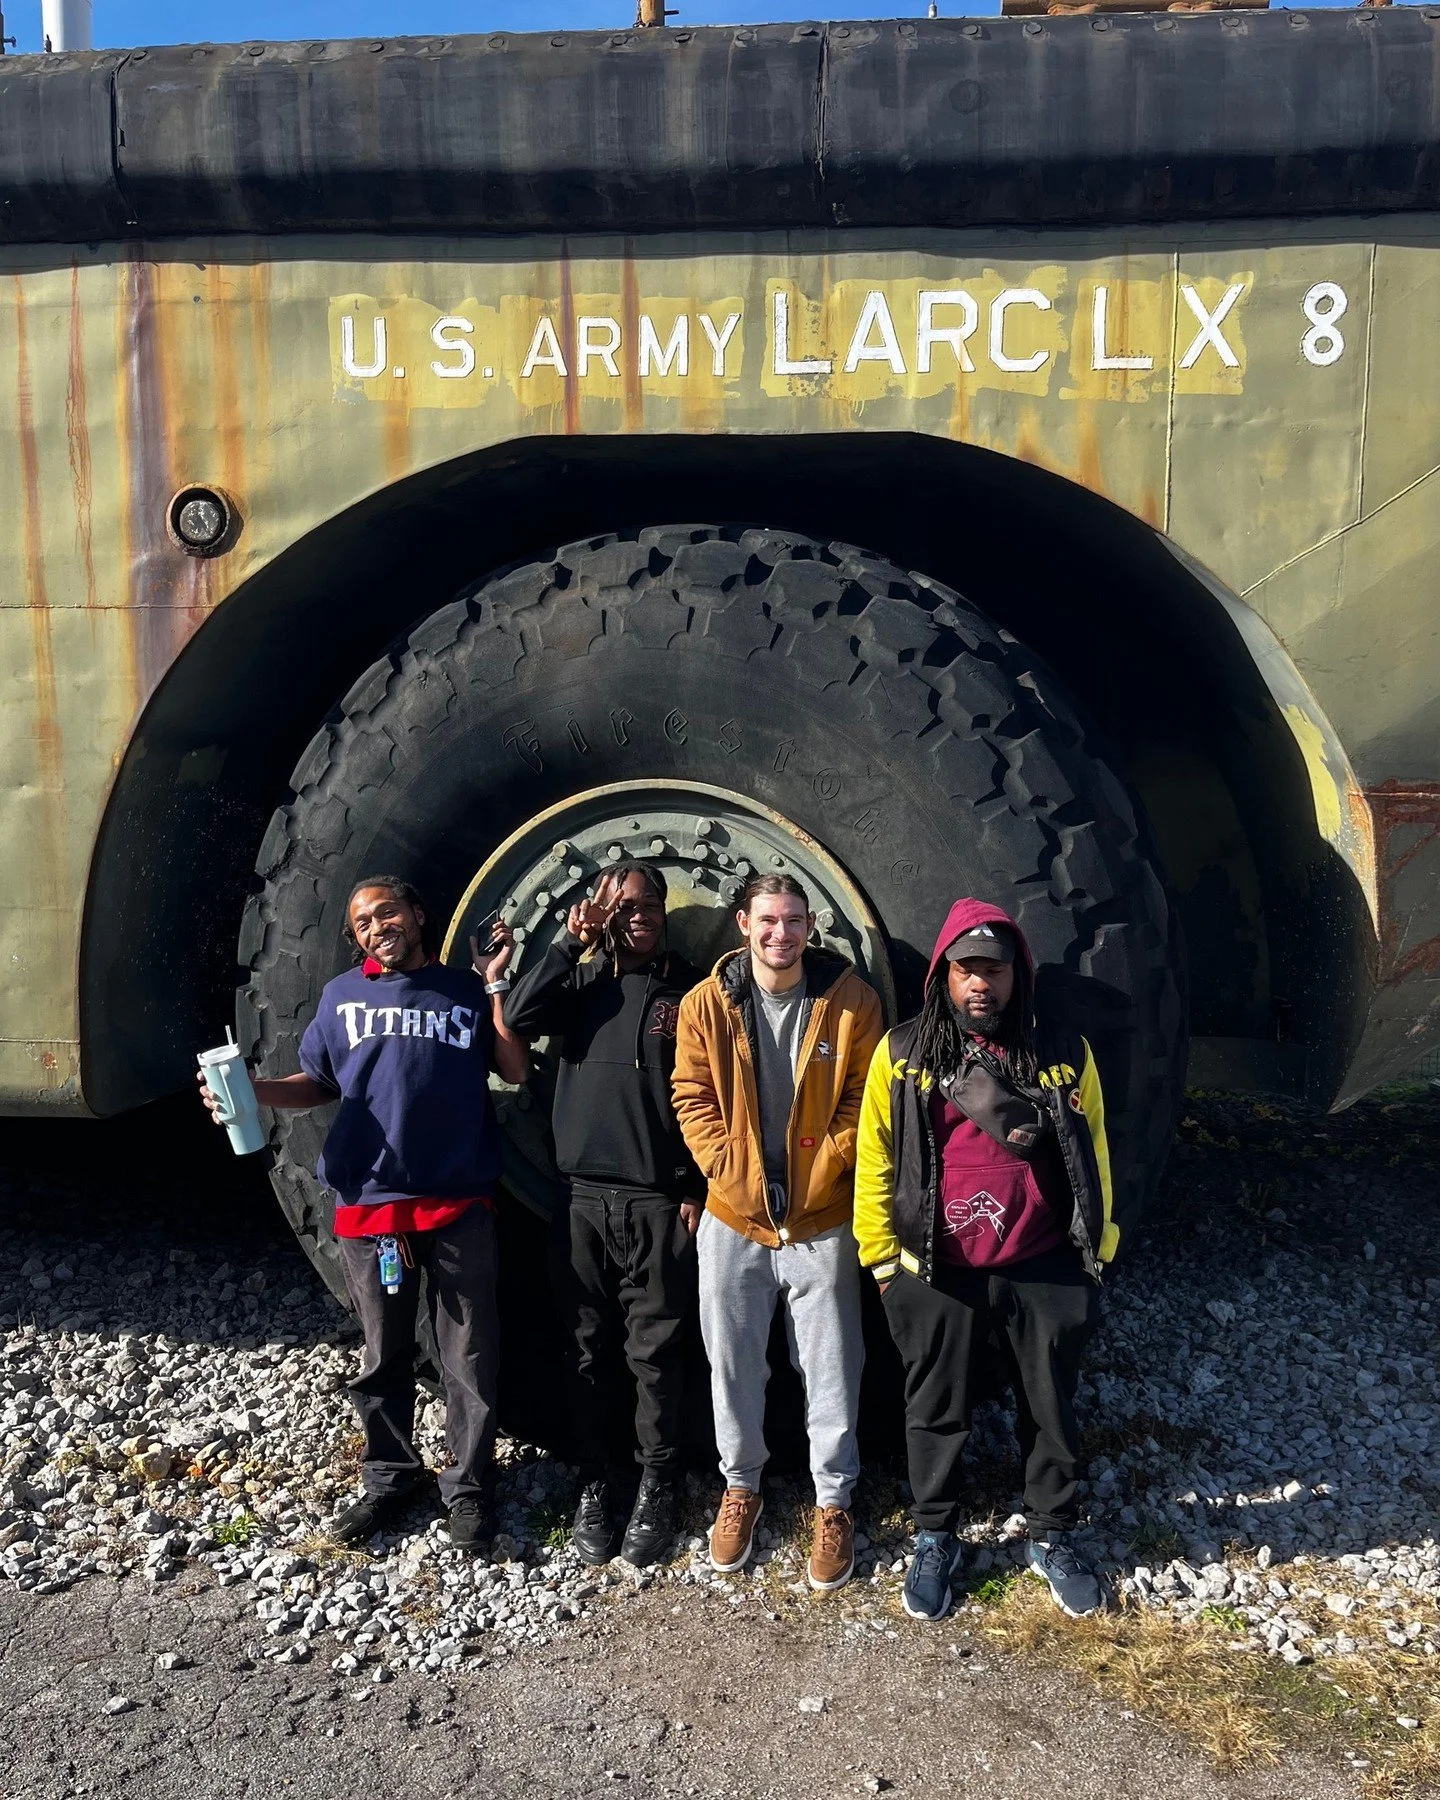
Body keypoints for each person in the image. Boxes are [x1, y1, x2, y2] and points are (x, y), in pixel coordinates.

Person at [199, 876, 528, 1550]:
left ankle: (468, 1490)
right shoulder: (341, 997)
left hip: (456, 1204)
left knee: (468, 1356)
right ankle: (389, 1478)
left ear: (417, 913)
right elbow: (317, 1084)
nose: (378, 927)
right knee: (382, 1354)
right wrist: (252, 1091)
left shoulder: (463, 990)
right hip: (371, 1210)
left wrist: (493, 984)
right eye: (363, 923)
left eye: (388, 912)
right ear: (355, 938)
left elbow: (516, 1069)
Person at [853, 900, 1117, 1622]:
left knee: (1051, 1405)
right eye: (966, 969)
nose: (980, 984)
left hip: (1044, 1263)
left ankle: (1052, 1533)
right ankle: (935, 1535)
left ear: (1016, 974)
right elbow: (876, 1157)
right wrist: (882, 1262)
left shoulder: (1062, 1049)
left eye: (993, 970)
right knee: (934, 1410)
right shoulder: (903, 1054)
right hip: (937, 1269)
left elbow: (1095, 1147)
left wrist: (1097, 1252)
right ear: (943, 974)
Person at [672, 873, 883, 1592]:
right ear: (744, 924)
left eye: (793, 920)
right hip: (733, 1217)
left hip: (821, 1218)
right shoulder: (705, 1004)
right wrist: (731, 1174)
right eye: (767, 920)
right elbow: (691, 1096)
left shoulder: (852, 1003)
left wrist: (825, 1168)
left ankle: (834, 1502)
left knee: (831, 1365)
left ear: (810, 927)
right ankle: (741, 1487)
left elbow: (864, 1098)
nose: (780, 934)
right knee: (731, 1361)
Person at [504, 863, 703, 1568]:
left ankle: (657, 1483)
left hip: (658, 1201)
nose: (638, 913)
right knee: (586, 1349)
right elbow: (518, 1019)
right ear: (603, 913)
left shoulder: (689, 990)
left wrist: (696, 1187)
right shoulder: (581, 983)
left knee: (657, 1353)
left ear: (665, 912)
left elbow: (719, 1092)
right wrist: (568, 945)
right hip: (582, 1199)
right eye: (623, 905)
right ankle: (595, 1480)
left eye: (649, 903)